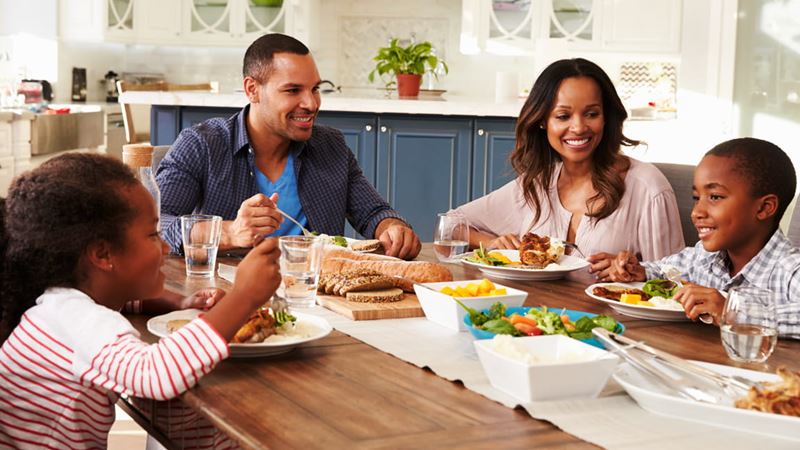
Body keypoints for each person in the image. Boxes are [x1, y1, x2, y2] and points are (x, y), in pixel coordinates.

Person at [0, 153, 282, 448]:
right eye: (152, 234)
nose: (165, 245)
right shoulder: (79, 319)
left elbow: (117, 304)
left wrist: (176, 302)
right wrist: (244, 297)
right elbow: (156, 374)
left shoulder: (61, 306)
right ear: (103, 255)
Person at [157, 33, 421, 259]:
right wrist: (230, 231)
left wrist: (393, 228)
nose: (311, 103)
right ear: (252, 90)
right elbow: (155, 227)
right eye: (293, 90)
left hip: (316, 296)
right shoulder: (202, 144)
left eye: (315, 89)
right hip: (228, 298)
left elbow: (373, 213)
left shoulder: (331, 146)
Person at [454, 58, 684, 266]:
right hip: (534, 311)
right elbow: (452, 225)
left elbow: (675, 279)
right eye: (563, 116)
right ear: (542, 121)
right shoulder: (537, 184)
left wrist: (634, 270)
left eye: (592, 114)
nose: (579, 127)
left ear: (606, 117)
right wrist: (493, 242)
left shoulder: (648, 188)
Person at [591, 138, 800, 337]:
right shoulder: (704, 257)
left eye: (715, 197)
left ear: (764, 208)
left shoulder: (790, 269)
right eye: (696, 198)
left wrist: (732, 311)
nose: (697, 212)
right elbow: (665, 271)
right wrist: (637, 271)